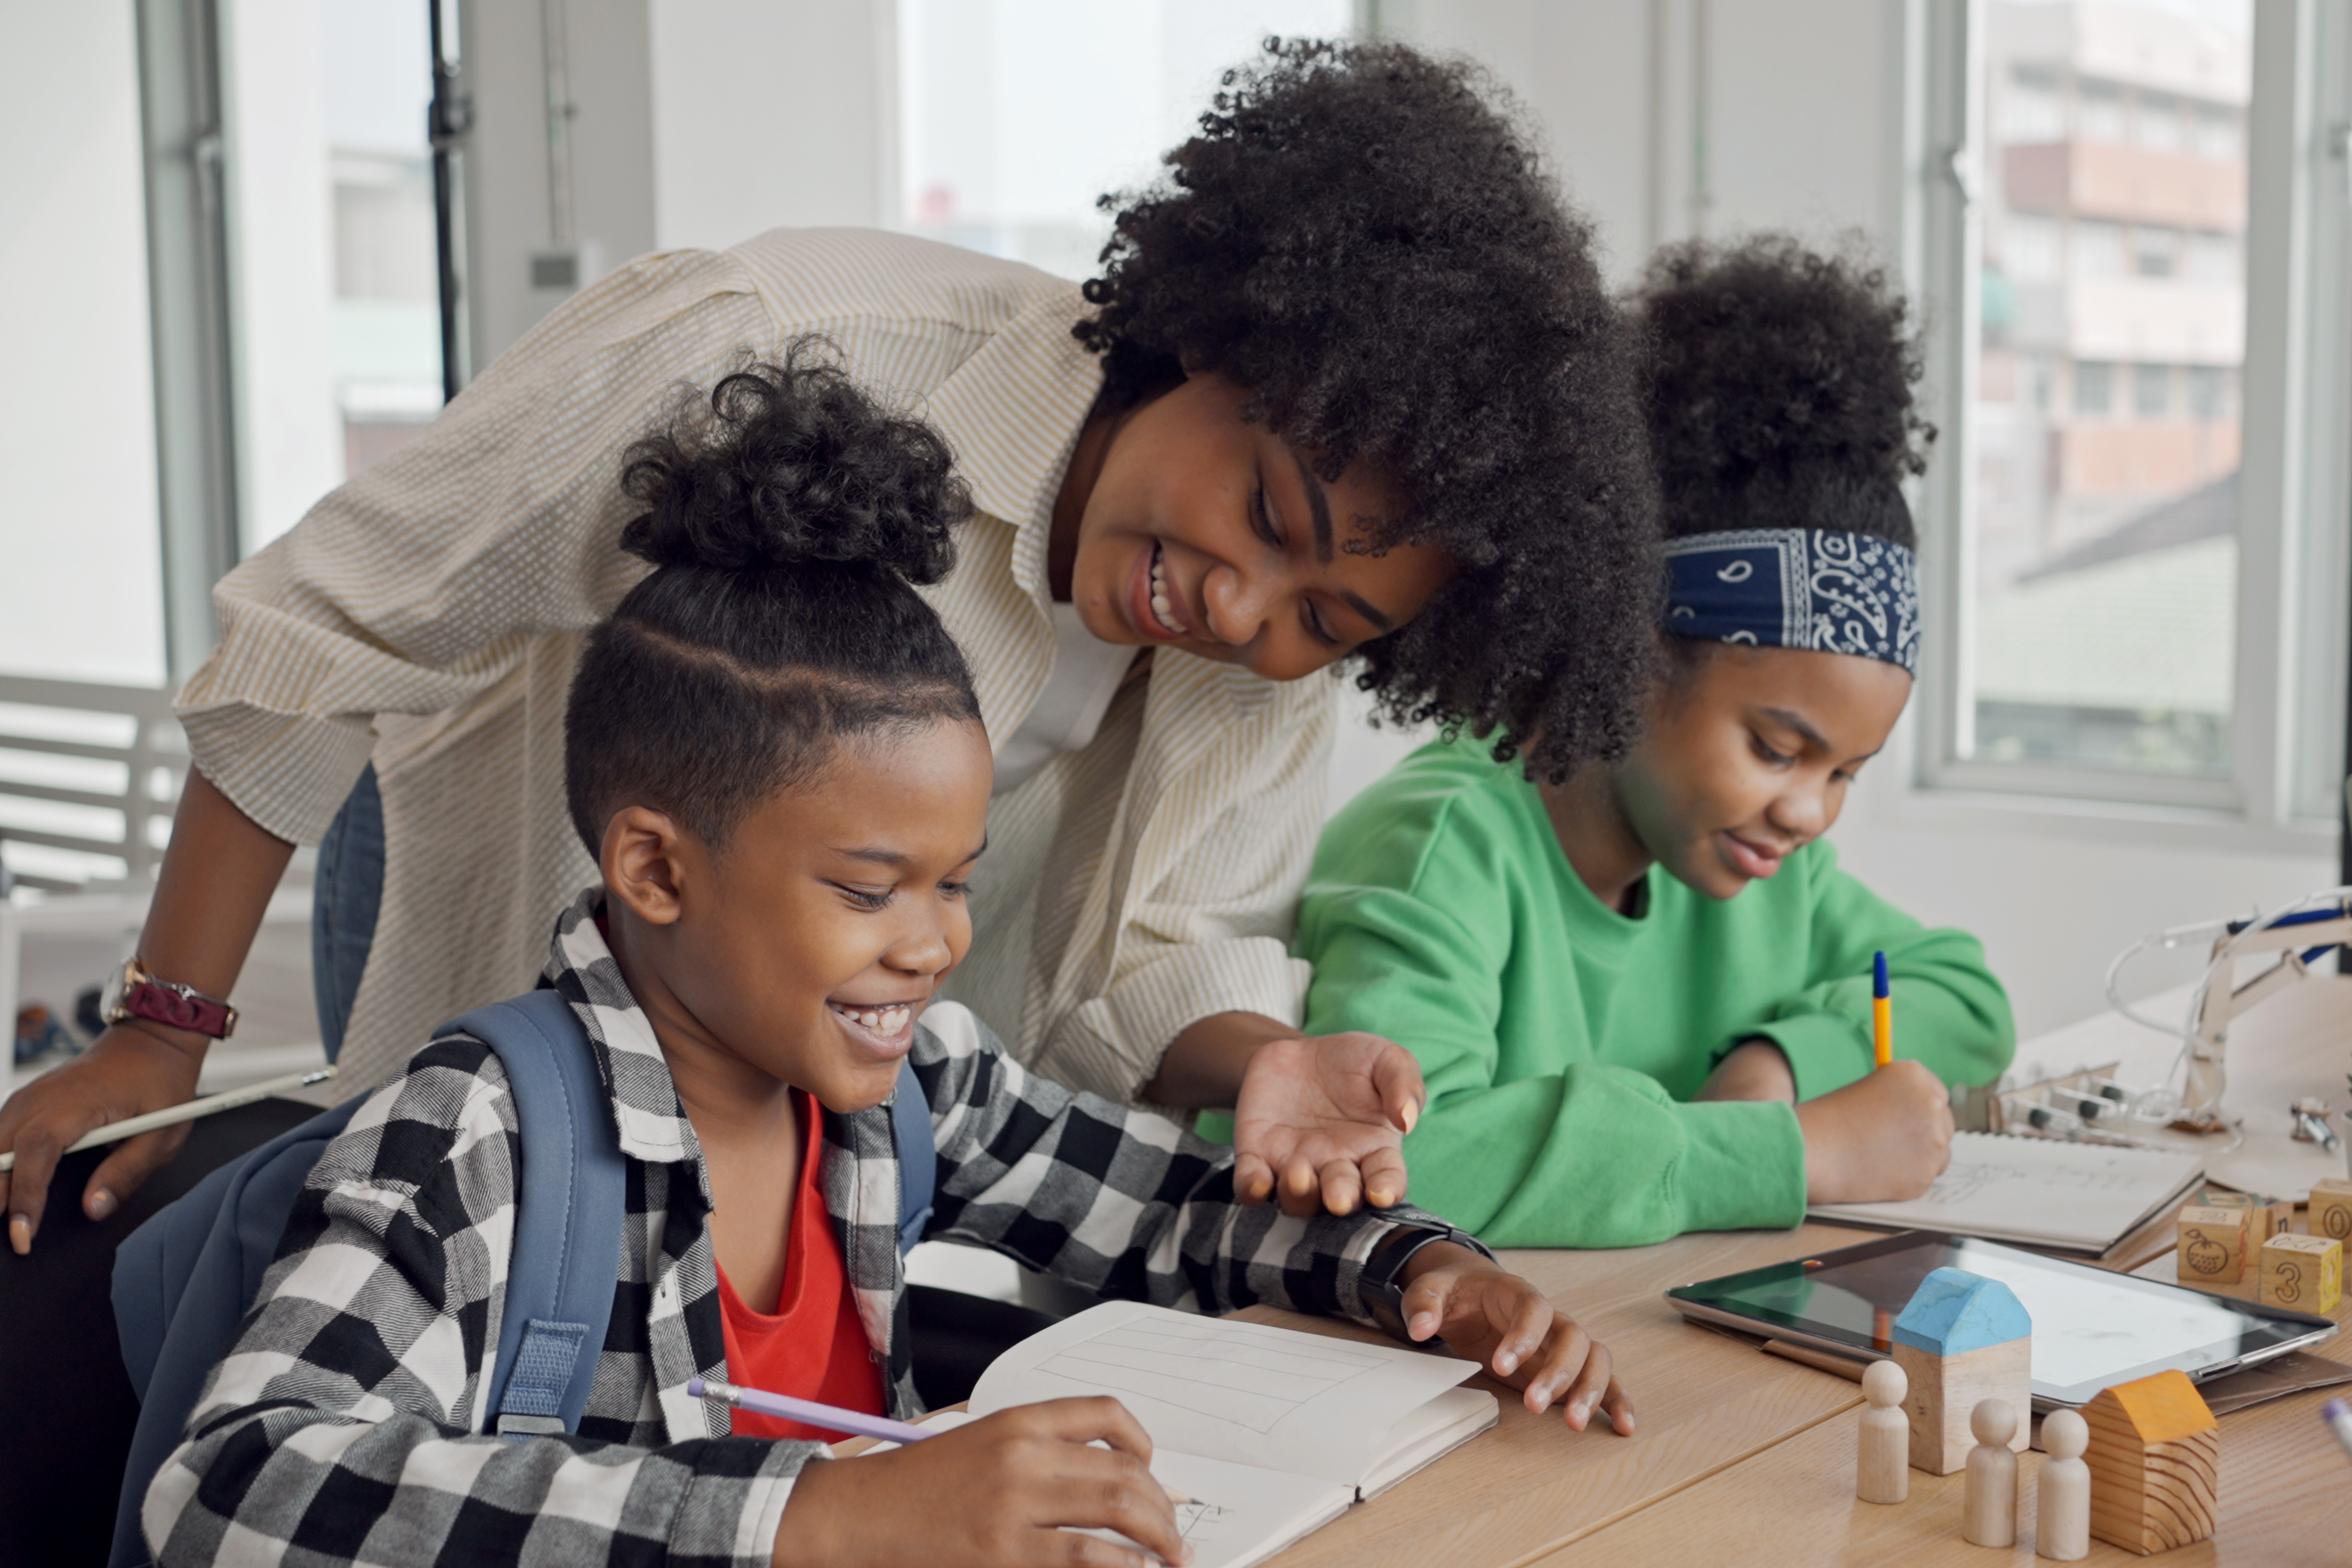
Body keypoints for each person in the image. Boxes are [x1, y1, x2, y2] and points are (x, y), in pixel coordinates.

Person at [0, 38, 1660, 1250]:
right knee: (447, 1246)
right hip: (524, 882)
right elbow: (338, 623)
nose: (1243, 610)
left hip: (809, 1084)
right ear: (1216, 338)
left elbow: (1152, 954)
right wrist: (161, 1027)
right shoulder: (784, 342)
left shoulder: (1257, 661)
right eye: (1265, 513)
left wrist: (1270, 1064)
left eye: (1330, 620)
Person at [138, 356, 1632, 1568]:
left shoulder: (913, 1085)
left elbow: (1175, 1222)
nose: (934, 944)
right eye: (870, 891)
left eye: (954, 883)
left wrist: (1427, 1276)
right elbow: (235, 1489)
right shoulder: (480, 1130)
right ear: (656, 869)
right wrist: (815, 1517)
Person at [1288, 237, 2016, 1249]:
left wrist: (1782, 1061)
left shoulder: (1764, 872)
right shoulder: (1443, 844)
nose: (1809, 812)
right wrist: (1787, 1150)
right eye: (1777, 747)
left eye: (1846, 772)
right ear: (1628, 649)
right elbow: (1393, 1160)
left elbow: (1967, 995)